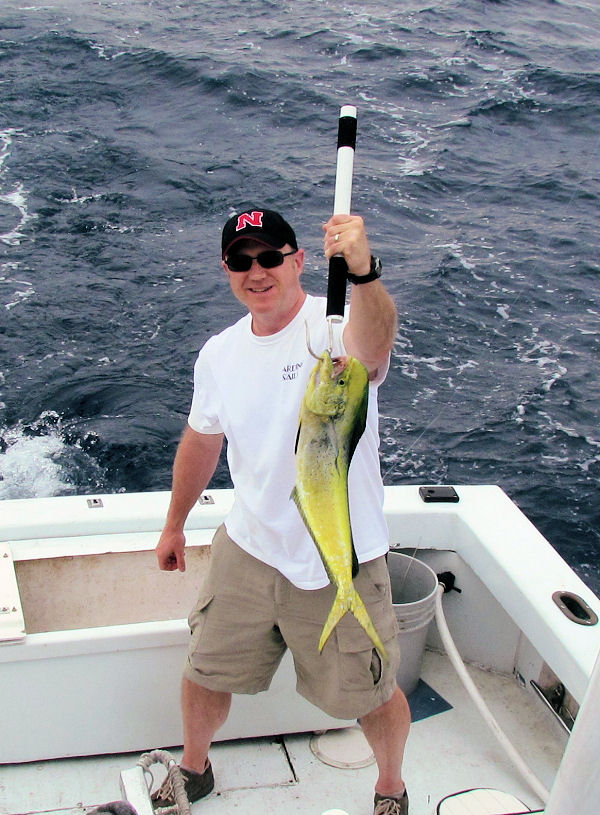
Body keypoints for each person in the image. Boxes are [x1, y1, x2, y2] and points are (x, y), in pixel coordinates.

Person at [153, 207, 411, 815]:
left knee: (372, 691)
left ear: (298, 262)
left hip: (338, 556)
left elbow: (374, 348)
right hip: (250, 546)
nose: (257, 270)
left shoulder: (332, 333)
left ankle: (391, 788)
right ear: (227, 271)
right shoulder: (219, 352)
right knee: (205, 667)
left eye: (271, 257)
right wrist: (174, 522)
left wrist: (364, 271)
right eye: (242, 261)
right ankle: (194, 769)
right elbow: (201, 437)